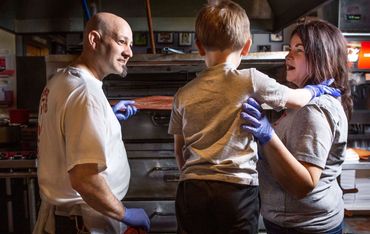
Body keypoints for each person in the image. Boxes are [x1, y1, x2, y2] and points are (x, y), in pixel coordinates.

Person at [168, 1, 340, 234]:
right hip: (236, 190)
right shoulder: (249, 80)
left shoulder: (183, 93)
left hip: (191, 190)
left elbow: (179, 149)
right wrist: (316, 90)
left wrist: (189, 177)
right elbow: (296, 99)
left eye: (297, 49)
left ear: (198, 46)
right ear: (247, 46)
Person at [34, 12, 150, 233]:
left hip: (66, 218)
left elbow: (64, 134)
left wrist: (106, 118)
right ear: (94, 40)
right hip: (83, 222)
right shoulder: (85, 93)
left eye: (131, 44)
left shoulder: (60, 80)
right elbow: (84, 179)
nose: (129, 52)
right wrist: (125, 214)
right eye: (122, 42)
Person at [241, 18, 352, 234]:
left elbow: (304, 184)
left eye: (298, 50)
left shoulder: (314, 109)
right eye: (289, 49)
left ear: (321, 56)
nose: (288, 56)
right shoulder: (301, 102)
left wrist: (267, 135)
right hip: (293, 221)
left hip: (305, 226)